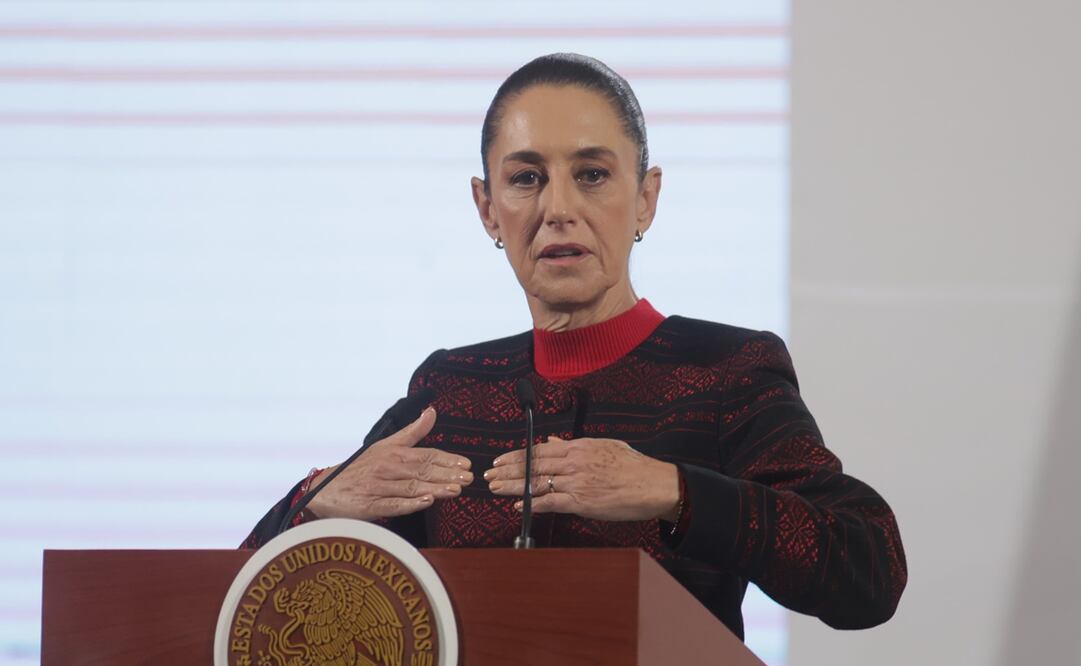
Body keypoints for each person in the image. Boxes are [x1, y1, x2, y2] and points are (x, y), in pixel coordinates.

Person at [242, 52, 907, 639]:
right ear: (486, 208)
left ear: (645, 199)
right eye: (526, 177)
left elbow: (868, 570)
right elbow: (238, 601)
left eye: (591, 174)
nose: (557, 206)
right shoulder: (449, 389)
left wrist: (674, 491)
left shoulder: (726, 372)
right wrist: (314, 504)